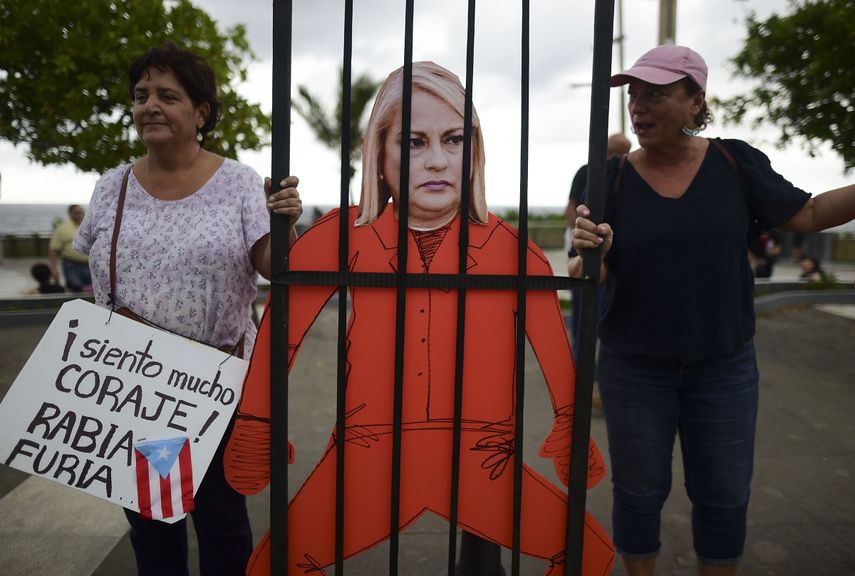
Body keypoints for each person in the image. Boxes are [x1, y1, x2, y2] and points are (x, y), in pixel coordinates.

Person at [225, 61, 613, 576]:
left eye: (453, 140)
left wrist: (572, 427)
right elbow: (282, 329)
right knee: (273, 566)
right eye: (412, 142)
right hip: (370, 455)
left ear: (472, 154)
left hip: (482, 457)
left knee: (590, 555)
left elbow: (555, 352)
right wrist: (256, 425)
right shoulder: (340, 238)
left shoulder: (515, 252)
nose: (436, 161)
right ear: (379, 156)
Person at [569, 44, 855, 576]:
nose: (639, 106)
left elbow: (810, 213)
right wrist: (590, 254)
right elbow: (590, 274)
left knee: (724, 494)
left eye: (655, 93)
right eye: (634, 94)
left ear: (696, 100)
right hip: (634, 367)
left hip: (723, 366)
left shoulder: (734, 161)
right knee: (638, 491)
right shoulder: (606, 177)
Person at [73, 43, 303, 576]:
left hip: (215, 387)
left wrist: (284, 223)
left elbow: (271, 265)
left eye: (167, 95)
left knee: (223, 525)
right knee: (152, 524)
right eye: (141, 95)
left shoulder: (241, 183)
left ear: (201, 113)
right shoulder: (112, 187)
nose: (149, 105)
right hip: (134, 386)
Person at [48, 204, 92, 292]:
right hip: (71, 266)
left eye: (81, 213)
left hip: (90, 266)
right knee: (76, 290)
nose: (79, 215)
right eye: (76, 213)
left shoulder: (89, 227)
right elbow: (53, 249)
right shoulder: (62, 228)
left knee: (91, 291)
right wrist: (54, 269)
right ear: (70, 213)